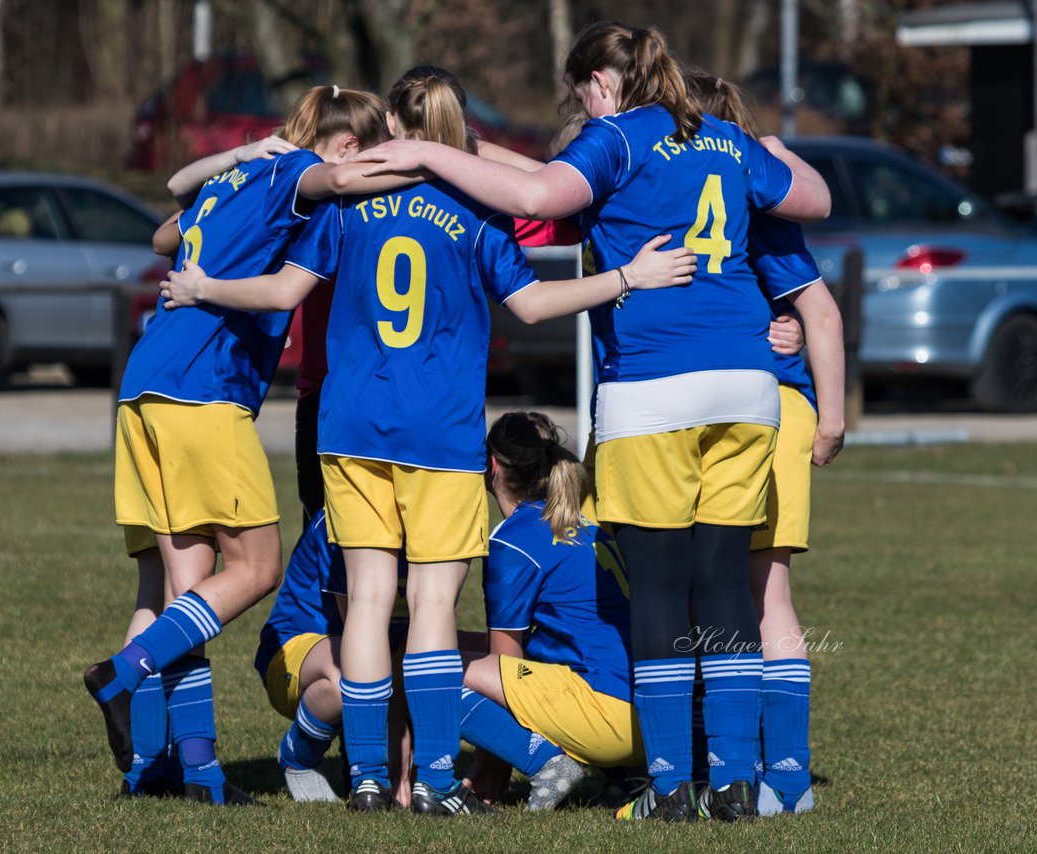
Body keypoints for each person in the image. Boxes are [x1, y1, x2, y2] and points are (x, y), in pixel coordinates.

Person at [157, 64, 694, 815]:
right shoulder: (477, 209)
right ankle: (437, 781)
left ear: (395, 131)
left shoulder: (343, 207)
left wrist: (203, 284)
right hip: (437, 434)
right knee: (433, 608)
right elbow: (534, 304)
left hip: (347, 428)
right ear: (455, 131)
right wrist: (626, 279)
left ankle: (372, 777)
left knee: (369, 601)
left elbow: (282, 292)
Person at [351, 23, 832, 822]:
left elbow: (541, 195)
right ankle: (739, 782)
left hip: (656, 388)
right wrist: (762, 144)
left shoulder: (617, 136)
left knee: (658, 591)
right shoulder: (719, 137)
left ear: (602, 85)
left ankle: (673, 787)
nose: (581, 108)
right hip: (748, 384)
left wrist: (429, 154)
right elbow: (811, 197)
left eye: (580, 94)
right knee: (722, 584)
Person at [82, 85, 391, 807]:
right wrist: (426, 157)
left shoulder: (243, 174)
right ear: (345, 145)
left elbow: (165, 233)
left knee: (188, 591)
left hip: (146, 384)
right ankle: (122, 672)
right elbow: (337, 178)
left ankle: (195, 774)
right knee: (256, 568)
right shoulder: (293, 178)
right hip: (202, 389)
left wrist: (238, 162)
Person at [684, 68, 846, 816]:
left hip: (762, 411)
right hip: (729, 409)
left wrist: (833, 416)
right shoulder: (742, 188)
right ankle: (763, 772)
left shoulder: (743, 205)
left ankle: (774, 773)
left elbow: (820, 311)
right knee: (739, 590)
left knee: (757, 588)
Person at [457, 412, 641, 812]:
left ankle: (545, 762)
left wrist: (487, 768)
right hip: (646, 717)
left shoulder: (516, 538)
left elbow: (505, 661)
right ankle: (624, 777)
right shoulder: (588, 526)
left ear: (490, 467)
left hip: (603, 713)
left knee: (428, 666)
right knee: (446, 645)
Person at [254, 508, 414, 803]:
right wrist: (397, 731)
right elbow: (362, 636)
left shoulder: (426, 517)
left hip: (380, 658)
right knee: (352, 676)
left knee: (453, 661)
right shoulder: (342, 520)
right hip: (296, 655)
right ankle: (298, 754)